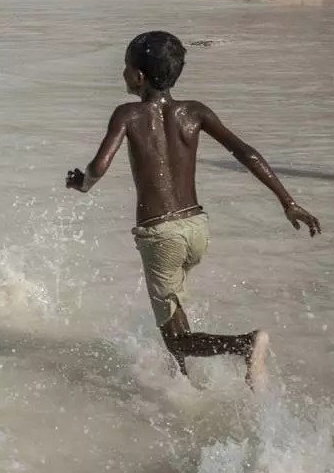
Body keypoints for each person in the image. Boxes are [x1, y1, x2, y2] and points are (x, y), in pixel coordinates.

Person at [66, 31, 320, 386]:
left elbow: (98, 168)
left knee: (175, 337)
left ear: (139, 76)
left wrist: (81, 184)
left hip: (161, 235)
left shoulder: (128, 114)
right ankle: (184, 387)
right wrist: (287, 202)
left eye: (125, 67)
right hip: (197, 228)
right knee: (176, 319)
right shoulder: (195, 111)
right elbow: (245, 152)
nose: (123, 73)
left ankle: (245, 345)